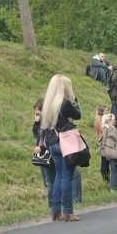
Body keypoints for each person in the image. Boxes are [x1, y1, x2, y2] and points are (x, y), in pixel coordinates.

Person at [40, 74, 82, 222]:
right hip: (66, 141)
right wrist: (74, 100)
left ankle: (55, 210)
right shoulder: (65, 103)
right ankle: (68, 211)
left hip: (52, 143)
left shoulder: (48, 103)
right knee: (67, 177)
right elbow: (78, 115)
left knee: (58, 176)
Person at [32, 98, 55, 212]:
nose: (37, 112)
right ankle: (54, 201)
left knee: (50, 181)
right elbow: (35, 135)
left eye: (39, 109)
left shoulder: (49, 123)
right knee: (46, 181)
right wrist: (36, 122)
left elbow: (49, 139)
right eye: (36, 109)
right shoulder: (41, 123)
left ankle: (52, 205)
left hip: (48, 153)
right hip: (41, 153)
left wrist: (40, 148)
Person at [101, 113, 117, 192]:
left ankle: (111, 188)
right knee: (115, 172)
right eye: (113, 120)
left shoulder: (104, 129)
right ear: (109, 121)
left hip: (106, 152)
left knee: (111, 171)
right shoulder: (112, 130)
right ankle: (114, 189)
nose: (115, 121)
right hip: (114, 152)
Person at [94, 105, 110, 182]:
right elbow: (102, 130)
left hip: (107, 140)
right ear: (102, 112)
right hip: (103, 140)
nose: (108, 112)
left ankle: (107, 175)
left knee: (107, 160)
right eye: (106, 111)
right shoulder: (99, 120)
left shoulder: (104, 119)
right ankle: (105, 176)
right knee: (104, 160)